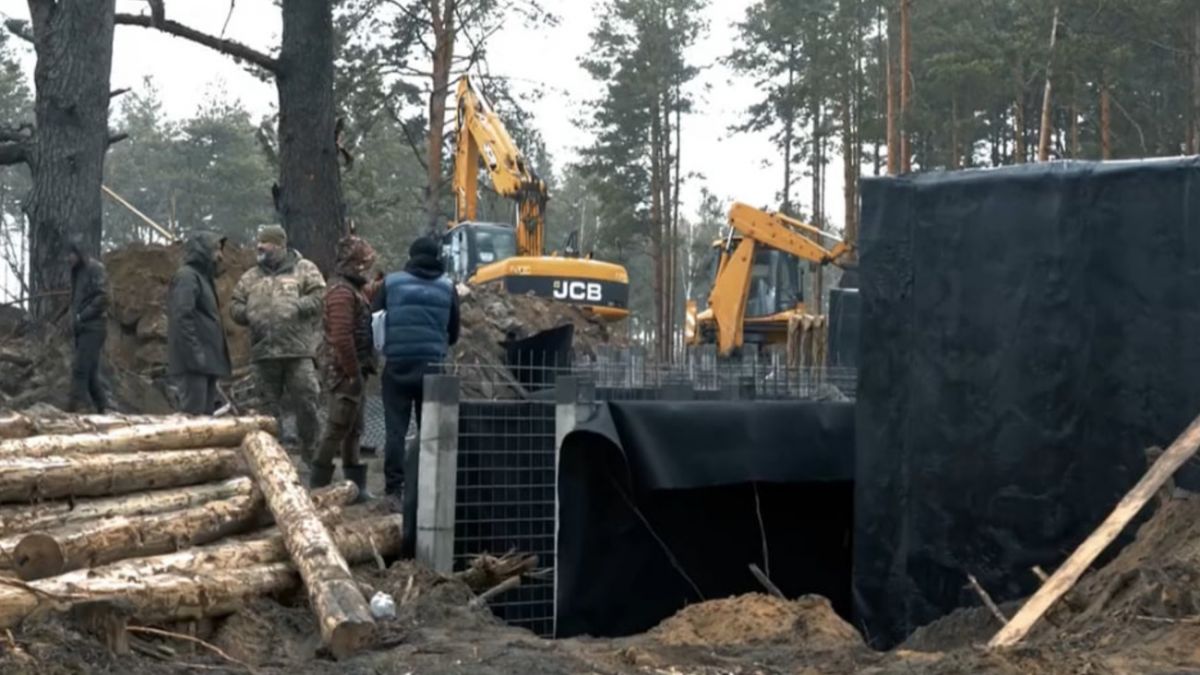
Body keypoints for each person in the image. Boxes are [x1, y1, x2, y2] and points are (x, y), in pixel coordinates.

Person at [373, 236, 459, 557]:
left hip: (397, 367)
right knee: (429, 431)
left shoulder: (391, 283)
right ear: (438, 257)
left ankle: (394, 491)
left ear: (411, 255)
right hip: (432, 369)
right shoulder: (448, 288)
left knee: (395, 430)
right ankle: (427, 486)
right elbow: (454, 332)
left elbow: (375, 320)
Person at [231, 225, 326, 463]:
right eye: (259, 243)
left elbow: (319, 297)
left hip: (298, 352)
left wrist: (296, 307)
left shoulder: (305, 269)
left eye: (266, 243)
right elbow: (235, 306)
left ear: (280, 245)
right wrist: (249, 313)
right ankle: (273, 460)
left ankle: (312, 454)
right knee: (266, 410)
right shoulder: (251, 276)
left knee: (306, 401)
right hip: (264, 353)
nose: (260, 247)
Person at [311, 235, 378, 500]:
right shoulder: (341, 292)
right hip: (343, 370)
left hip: (354, 369)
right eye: (365, 261)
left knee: (354, 427)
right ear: (356, 263)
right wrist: (351, 372)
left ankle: (354, 486)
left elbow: (361, 300)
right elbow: (341, 337)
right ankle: (318, 487)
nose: (368, 266)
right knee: (337, 426)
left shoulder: (351, 289)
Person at [167, 232, 233, 415]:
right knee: (193, 419)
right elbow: (182, 317)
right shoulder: (187, 277)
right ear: (203, 251)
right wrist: (195, 355)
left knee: (205, 420)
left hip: (206, 362)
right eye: (216, 250)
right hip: (194, 363)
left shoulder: (203, 278)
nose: (221, 256)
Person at [66, 237, 110, 413]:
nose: (67, 258)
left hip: (94, 327)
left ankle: (75, 411)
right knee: (91, 374)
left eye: (70, 254)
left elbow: (103, 297)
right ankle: (104, 410)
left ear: (78, 252)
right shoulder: (76, 271)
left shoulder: (95, 269)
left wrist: (81, 316)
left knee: (80, 370)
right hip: (82, 328)